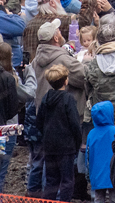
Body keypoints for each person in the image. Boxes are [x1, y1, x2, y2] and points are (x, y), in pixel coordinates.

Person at [36, 65, 81, 201]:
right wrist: (76, 143)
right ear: (65, 81)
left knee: (51, 180)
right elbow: (74, 124)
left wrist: (45, 136)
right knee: (67, 181)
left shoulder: (45, 98)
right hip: (66, 147)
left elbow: (39, 121)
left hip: (49, 146)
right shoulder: (68, 99)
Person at [87, 101, 115, 203]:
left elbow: (87, 156)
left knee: (98, 199)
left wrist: (88, 175)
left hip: (97, 174)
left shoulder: (91, 133)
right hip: (114, 173)